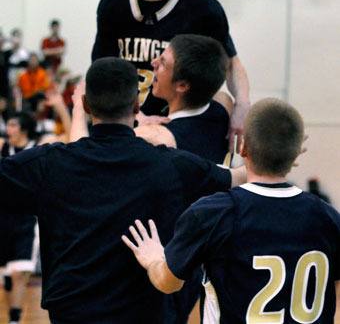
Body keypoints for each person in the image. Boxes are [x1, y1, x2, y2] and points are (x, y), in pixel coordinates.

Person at [0, 57, 245, 324]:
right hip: (146, 315)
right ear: (137, 105)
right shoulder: (172, 165)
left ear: (84, 104)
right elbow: (237, 178)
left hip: (72, 315)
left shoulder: (49, 165)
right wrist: (269, 151)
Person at [124, 98, 340, 323]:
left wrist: (153, 259)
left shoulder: (213, 213)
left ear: (243, 147)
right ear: (296, 154)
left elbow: (168, 283)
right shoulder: (329, 217)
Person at [92, 0, 250, 152]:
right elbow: (100, 75)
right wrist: (137, 119)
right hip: (126, 121)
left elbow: (230, 63)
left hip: (179, 122)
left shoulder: (204, 8)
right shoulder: (114, 2)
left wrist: (243, 104)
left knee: (223, 102)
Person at [135, 34, 232, 164]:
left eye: (162, 63)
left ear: (182, 85)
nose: (154, 62)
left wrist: (135, 116)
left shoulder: (161, 139)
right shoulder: (223, 109)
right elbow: (223, 96)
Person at [0, 112, 39, 324]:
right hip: (3, 216)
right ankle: (12, 316)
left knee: (18, 272)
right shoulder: (3, 146)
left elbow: (71, 136)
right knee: (7, 276)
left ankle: (14, 320)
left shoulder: (37, 145)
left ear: (24, 126)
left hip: (26, 217)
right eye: (8, 125)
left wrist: (61, 108)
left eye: (13, 125)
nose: (9, 129)